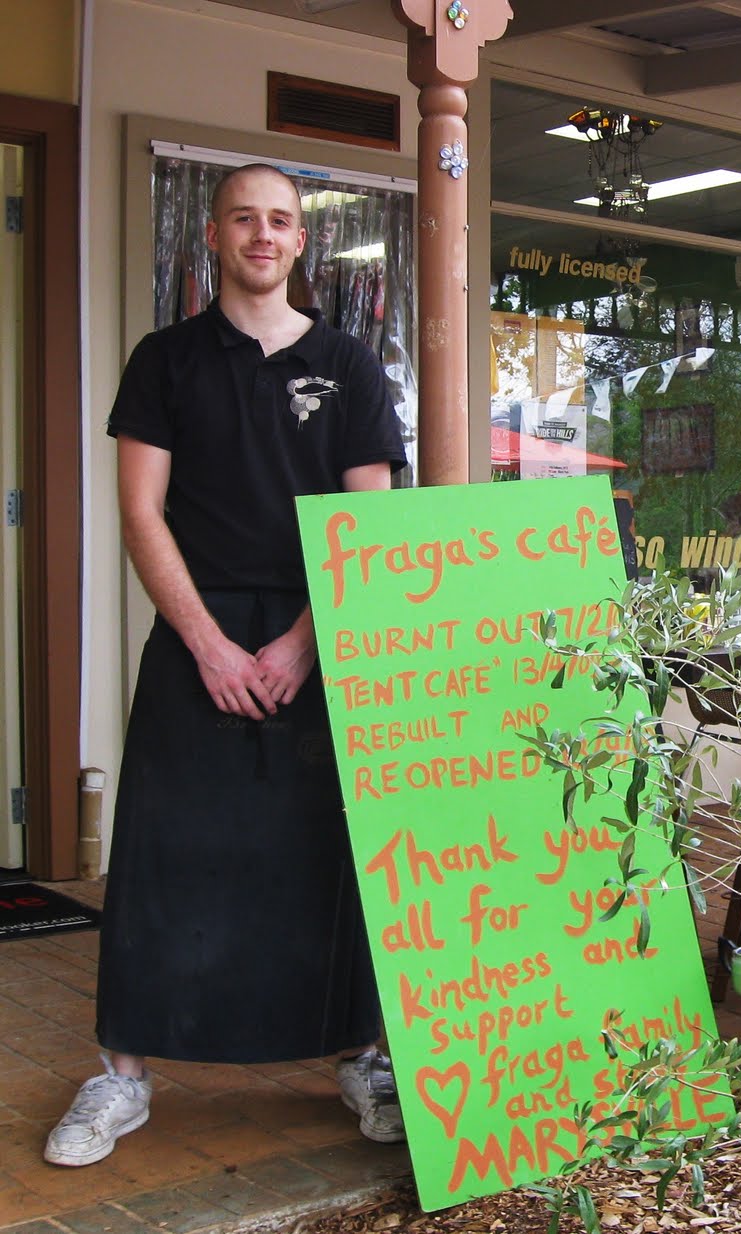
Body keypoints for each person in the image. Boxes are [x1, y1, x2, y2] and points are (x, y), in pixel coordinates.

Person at [44, 164, 410, 1167]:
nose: (262, 234)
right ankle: (122, 1076)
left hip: (319, 637)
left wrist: (302, 642)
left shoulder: (350, 364)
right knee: (163, 859)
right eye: (244, 218)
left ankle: (366, 1057)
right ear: (213, 235)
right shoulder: (165, 360)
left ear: (301, 242)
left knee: (338, 860)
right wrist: (207, 642)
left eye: (280, 221)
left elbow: (369, 527)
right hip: (192, 635)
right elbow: (139, 510)